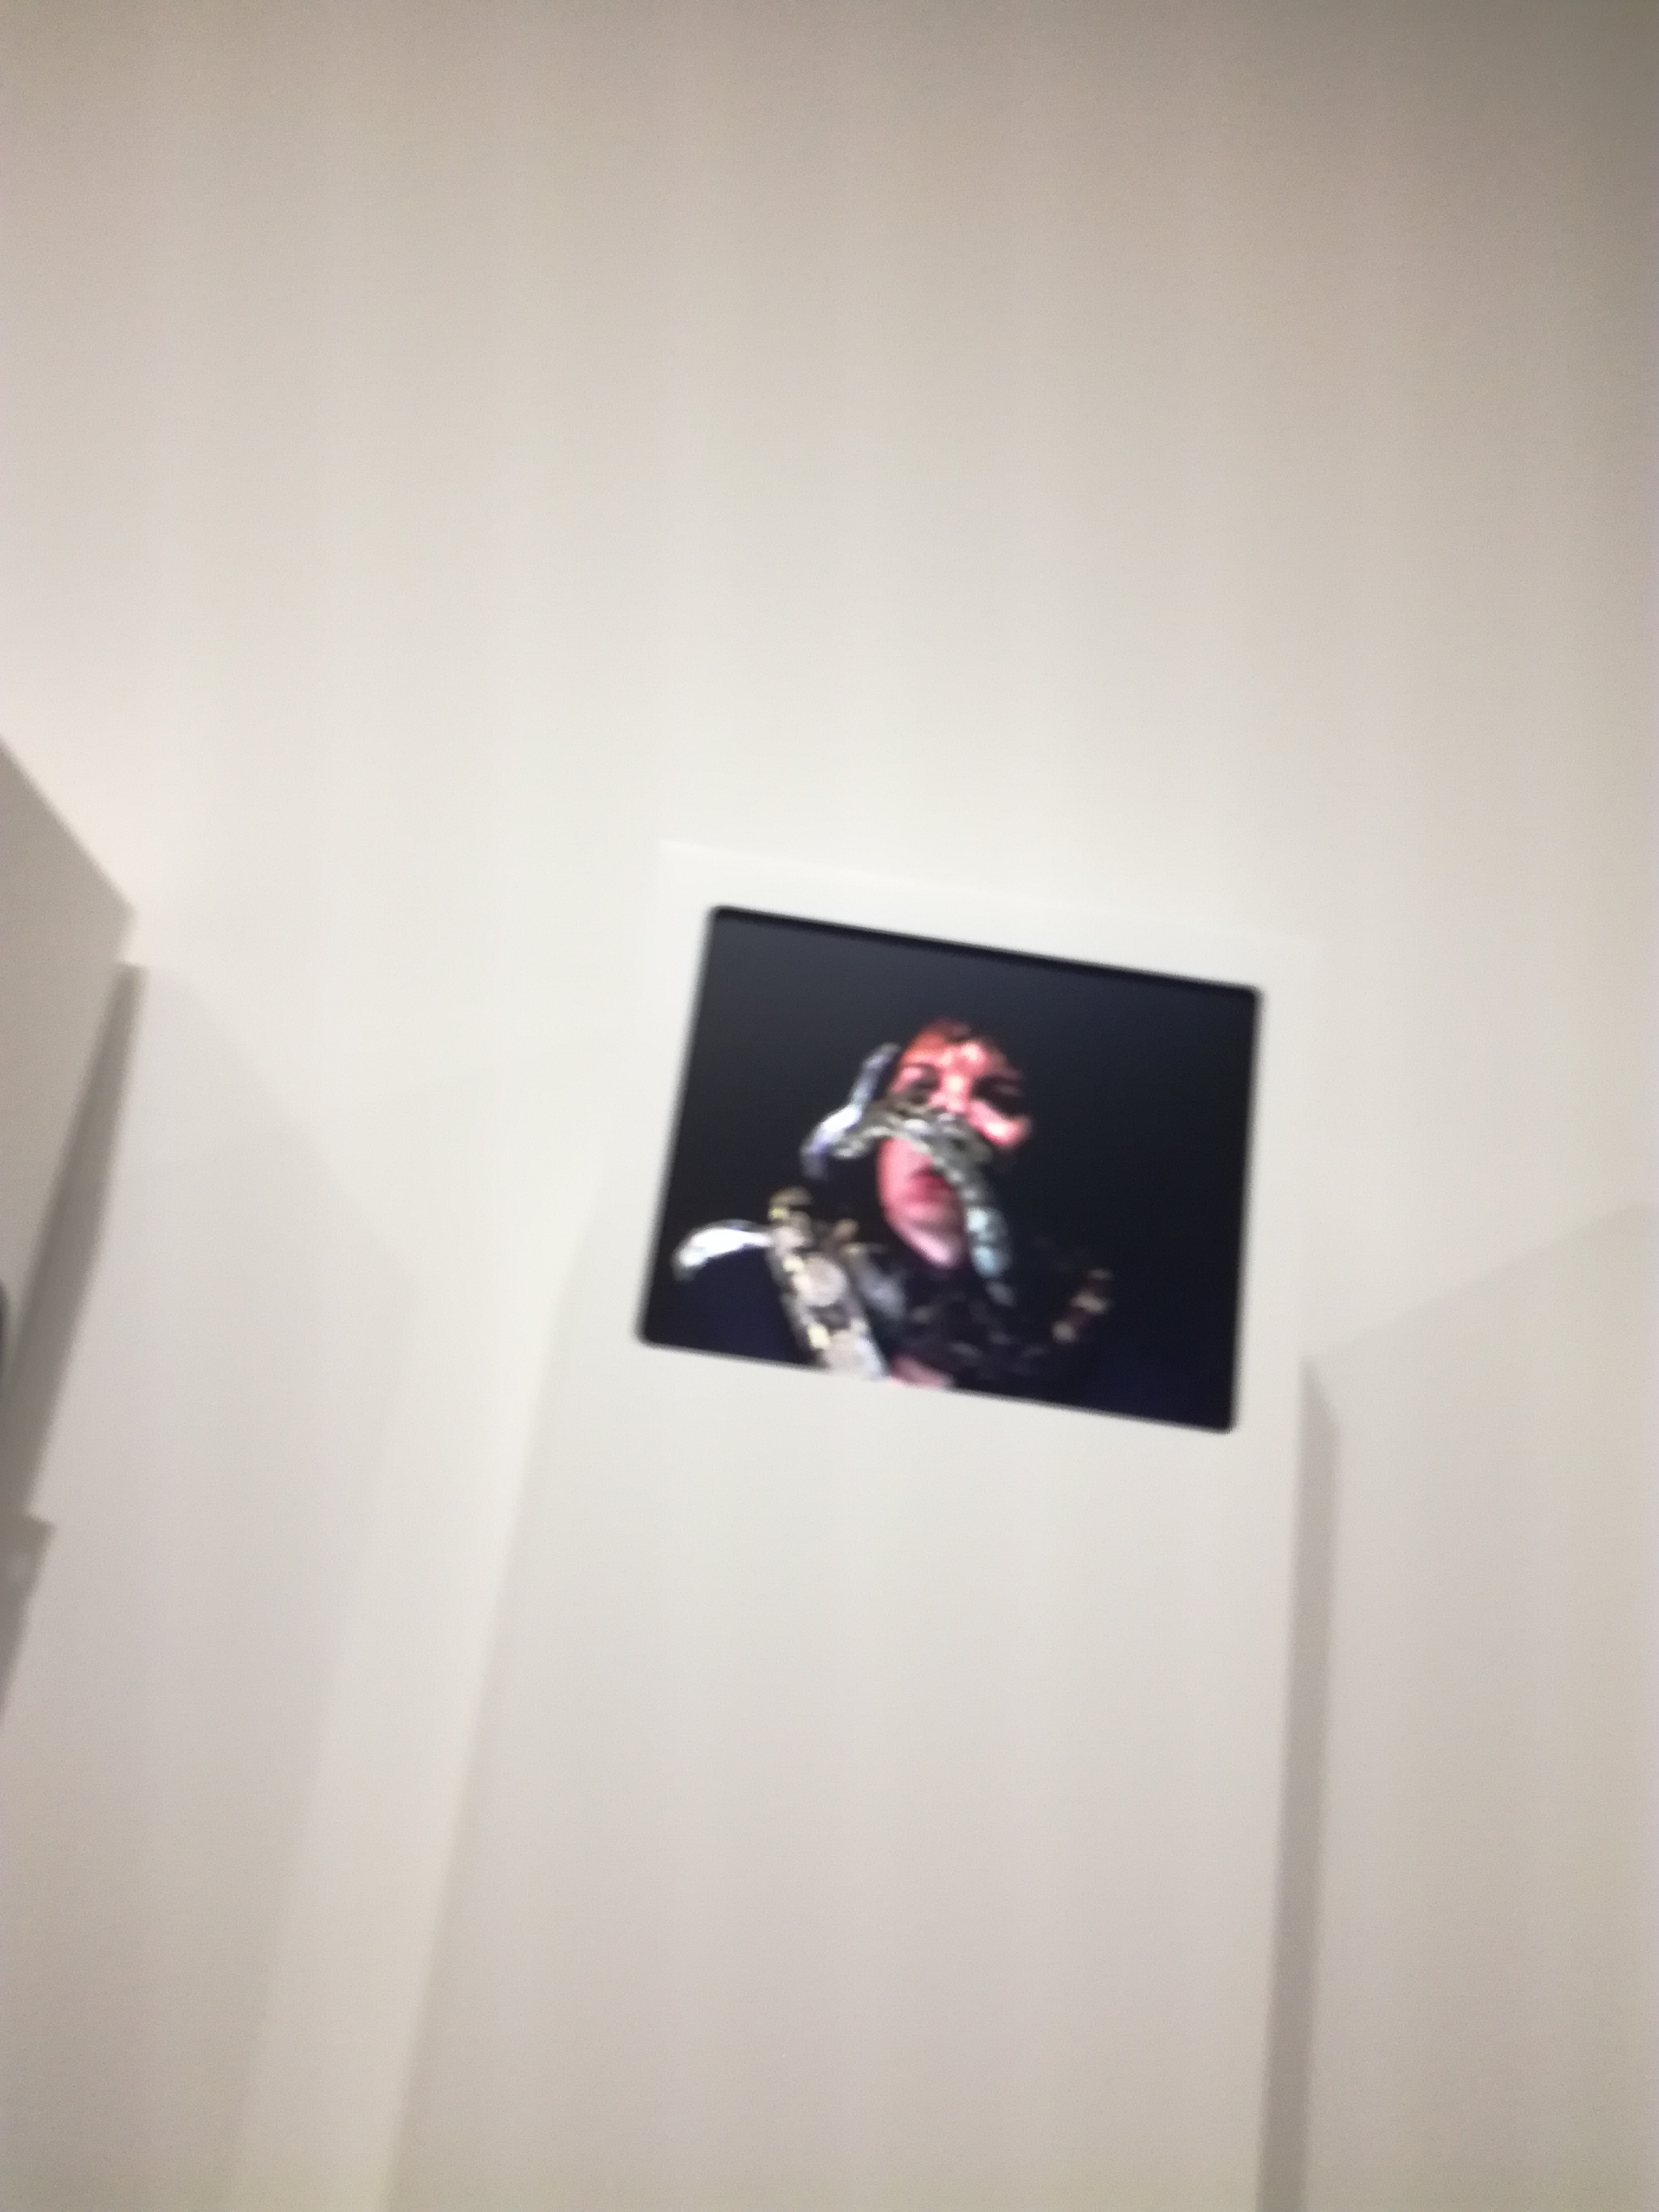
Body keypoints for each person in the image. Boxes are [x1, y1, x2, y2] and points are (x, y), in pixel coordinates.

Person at [669, 1019, 1112, 1403]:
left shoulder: (1115, 1355)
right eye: (918, 1087)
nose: (948, 1113)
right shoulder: (739, 1300)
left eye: (1000, 1095)